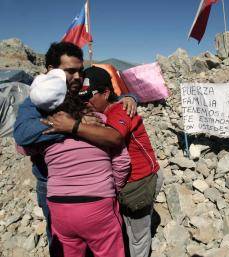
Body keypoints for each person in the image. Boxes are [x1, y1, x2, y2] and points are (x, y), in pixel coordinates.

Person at [13, 42, 138, 244]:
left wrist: (129, 97)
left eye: (80, 71)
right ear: (51, 71)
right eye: (70, 71)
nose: (78, 77)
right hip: (53, 186)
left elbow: (105, 98)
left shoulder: (76, 93)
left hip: (95, 188)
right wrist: (74, 124)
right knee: (61, 243)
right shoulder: (37, 101)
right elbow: (22, 135)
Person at [42, 66, 164, 257]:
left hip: (139, 181)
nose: (84, 102)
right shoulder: (98, 114)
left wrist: (72, 126)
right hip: (120, 184)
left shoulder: (120, 109)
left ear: (106, 93)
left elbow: (114, 138)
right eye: (80, 97)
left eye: (89, 96)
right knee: (122, 228)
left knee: (138, 235)